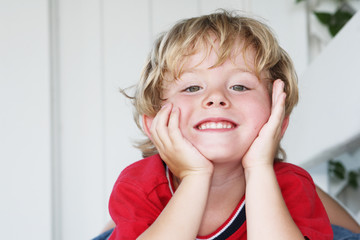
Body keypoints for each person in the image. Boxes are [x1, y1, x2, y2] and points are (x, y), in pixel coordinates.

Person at [107, 10, 334, 239]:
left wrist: (259, 169)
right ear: (155, 121)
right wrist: (195, 176)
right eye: (192, 88)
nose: (216, 98)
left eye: (239, 87)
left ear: (277, 118)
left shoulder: (291, 185)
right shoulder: (140, 185)